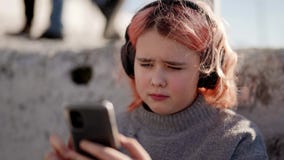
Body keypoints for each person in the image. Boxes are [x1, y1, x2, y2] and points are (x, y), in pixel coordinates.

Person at [45, 0, 269, 159]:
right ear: (130, 62)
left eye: (173, 67)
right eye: (145, 64)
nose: (157, 80)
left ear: (206, 71)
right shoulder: (115, 134)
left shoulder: (237, 141)